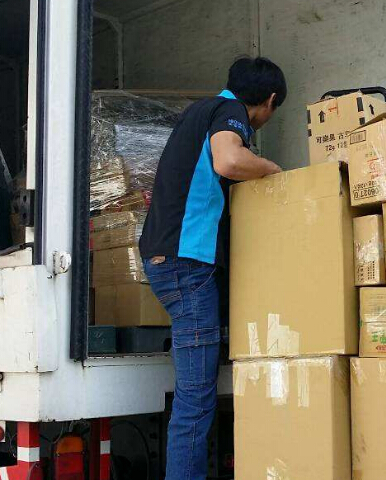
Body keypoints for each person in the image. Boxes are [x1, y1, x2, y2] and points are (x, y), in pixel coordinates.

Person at [138, 56, 286, 480]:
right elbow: (229, 161)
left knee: (194, 395)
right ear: (269, 100)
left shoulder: (198, 113)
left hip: (170, 263)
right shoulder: (230, 111)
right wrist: (274, 170)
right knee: (196, 399)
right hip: (187, 267)